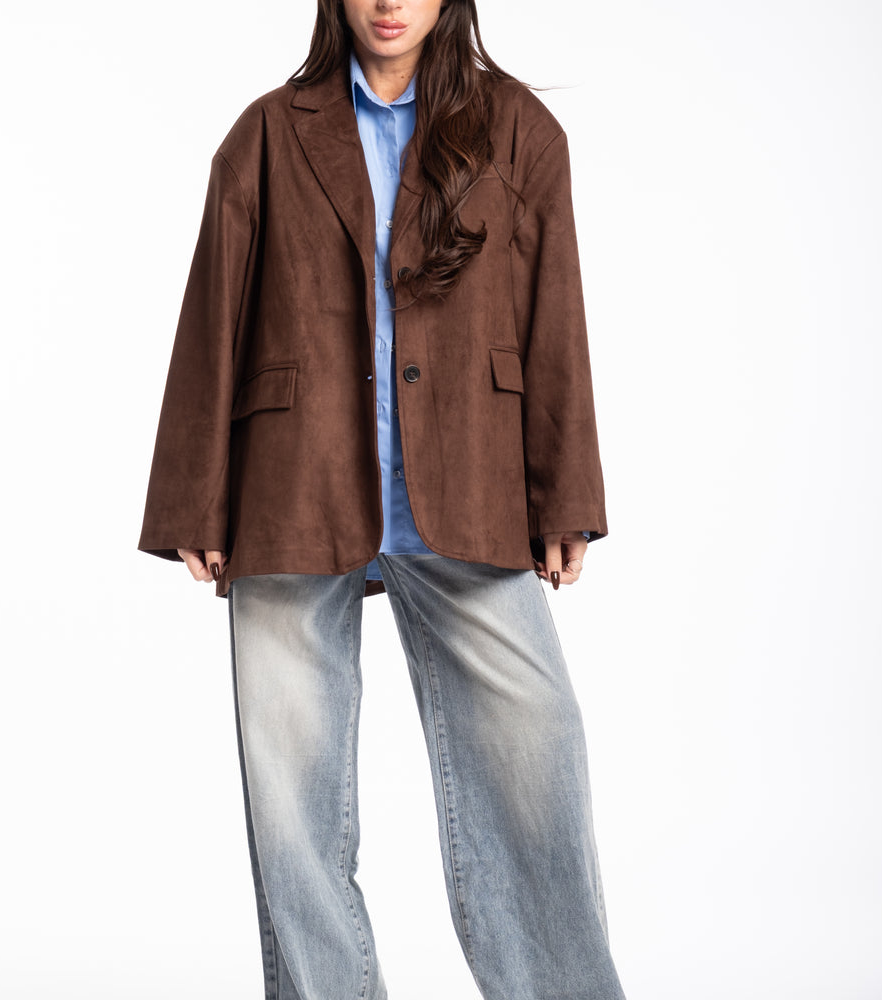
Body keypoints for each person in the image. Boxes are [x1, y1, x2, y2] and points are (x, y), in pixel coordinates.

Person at [138, 1, 626, 997]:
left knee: (535, 759)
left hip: (470, 478)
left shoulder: (518, 129)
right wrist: (195, 496)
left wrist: (563, 490)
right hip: (292, 485)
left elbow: (555, 315)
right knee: (293, 810)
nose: (389, 1)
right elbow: (212, 312)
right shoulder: (268, 132)